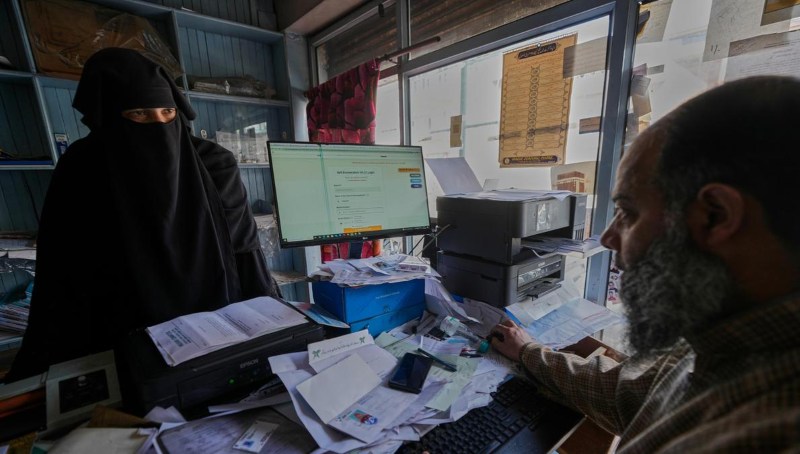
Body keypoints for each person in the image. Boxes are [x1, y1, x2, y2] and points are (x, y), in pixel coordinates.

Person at [491, 75, 800, 451]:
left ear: (715, 215)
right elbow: (627, 393)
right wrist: (528, 353)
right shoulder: (722, 338)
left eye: (628, 212)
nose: (608, 239)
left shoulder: (766, 431)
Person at [5, 48, 281, 382]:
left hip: (220, 332)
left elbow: (246, 255)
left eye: (168, 112)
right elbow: (63, 275)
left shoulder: (215, 164)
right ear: (108, 116)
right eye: (139, 113)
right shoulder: (82, 169)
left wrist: (277, 330)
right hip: (123, 336)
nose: (159, 124)